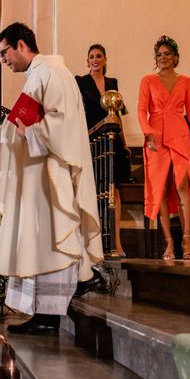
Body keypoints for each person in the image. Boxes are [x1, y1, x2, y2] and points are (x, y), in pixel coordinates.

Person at [0, 22, 103, 335]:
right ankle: (45, 310)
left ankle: (72, 291)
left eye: (4, 53)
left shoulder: (52, 72)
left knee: (51, 235)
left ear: (21, 45)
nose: (3, 60)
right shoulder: (37, 75)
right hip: (36, 171)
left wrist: (32, 132)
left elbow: (62, 123)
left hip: (49, 170)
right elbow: (12, 127)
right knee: (39, 238)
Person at [137, 35, 190, 260]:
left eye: (167, 54)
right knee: (162, 190)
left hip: (180, 136)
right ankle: (169, 243)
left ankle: (187, 240)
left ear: (175, 57)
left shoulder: (186, 81)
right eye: (159, 54)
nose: (163, 57)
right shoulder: (147, 80)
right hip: (155, 140)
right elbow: (141, 110)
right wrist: (148, 133)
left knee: (183, 185)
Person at [75, 44, 132, 257]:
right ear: (87, 61)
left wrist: (123, 141)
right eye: (91, 57)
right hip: (91, 141)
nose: (95, 60)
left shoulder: (112, 83)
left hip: (113, 142)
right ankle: (94, 242)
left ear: (105, 59)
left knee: (114, 190)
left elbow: (118, 113)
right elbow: (76, 112)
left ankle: (116, 242)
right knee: (93, 190)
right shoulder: (80, 82)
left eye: (99, 56)